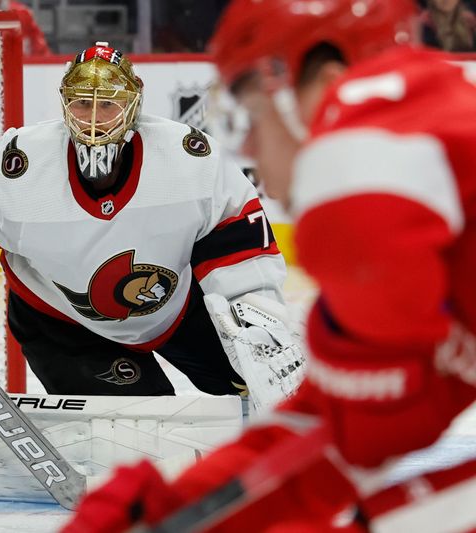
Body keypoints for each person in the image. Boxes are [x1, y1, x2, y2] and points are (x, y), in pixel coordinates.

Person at [62, 1, 476, 532]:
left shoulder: (359, 161)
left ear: (325, 83)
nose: (250, 150)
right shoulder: (427, 133)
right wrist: (177, 510)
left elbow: (361, 440)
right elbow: (336, 433)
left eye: (250, 117)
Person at [0, 43, 304, 408]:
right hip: (64, 324)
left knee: (261, 384)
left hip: (176, 309)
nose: (93, 118)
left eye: (107, 104)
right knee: (139, 426)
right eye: (82, 102)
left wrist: (258, 322)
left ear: (132, 106)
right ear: (64, 104)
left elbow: (237, 243)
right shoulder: (21, 168)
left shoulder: (189, 160)